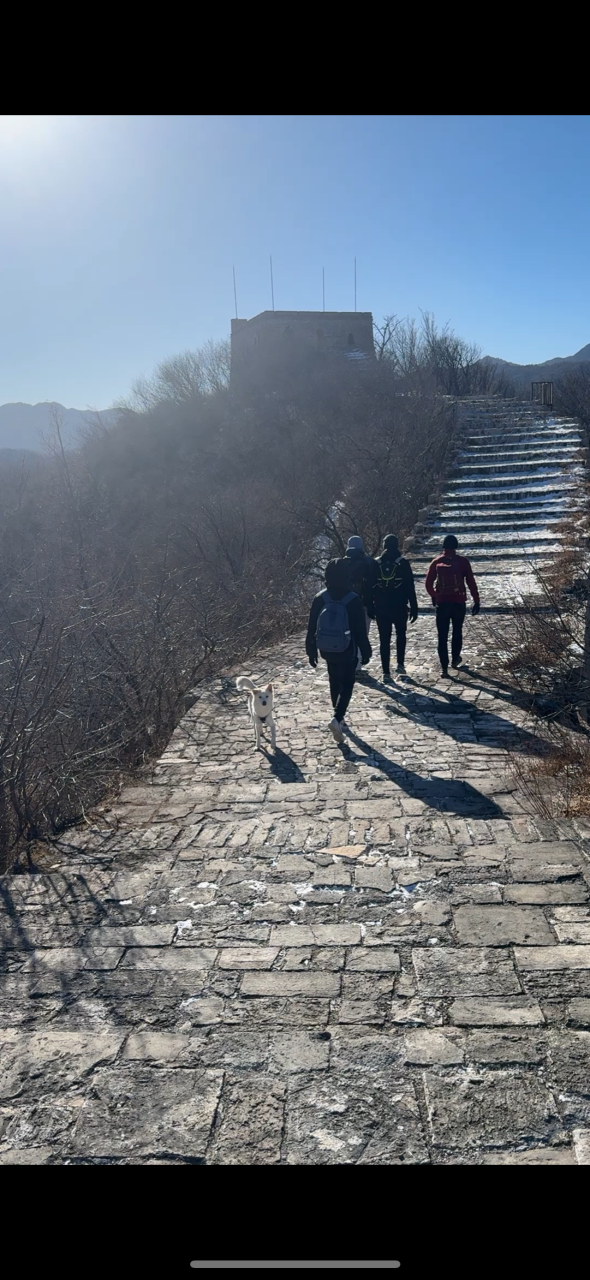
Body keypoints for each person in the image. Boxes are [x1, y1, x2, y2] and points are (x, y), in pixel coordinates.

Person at [306, 558, 372, 743]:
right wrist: (365, 651)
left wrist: (310, 649)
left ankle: (339, 717)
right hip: (346, 648)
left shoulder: (320, 598)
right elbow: (359, 630)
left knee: (334, 679)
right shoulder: (352, 599)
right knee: (348, 683)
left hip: (326, 649)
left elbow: (311, 627)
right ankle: (337, 717)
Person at [425, 534, 480, 677]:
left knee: (442, 636)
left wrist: (435, 595)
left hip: (442, 603)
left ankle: (444, 667)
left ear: (443, 546)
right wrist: (476, 600)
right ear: (456, 546)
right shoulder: (462, 562)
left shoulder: (436, 561)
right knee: (457, 631)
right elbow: (471, 583)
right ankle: (455, 659)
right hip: (458, 602)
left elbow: (428, 584)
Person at [367, 533, 418, 680]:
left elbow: (369, 586)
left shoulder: (376, 563)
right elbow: (410, 586)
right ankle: (400, 665)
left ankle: (385, 672)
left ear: (384, 546)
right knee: (401, 635)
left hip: (381, 607)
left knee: (384, 639)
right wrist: (414, 606)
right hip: (400, 606)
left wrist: (370, 606)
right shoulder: (403, 563)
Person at [343, 535, 376, 671]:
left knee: (347, 633)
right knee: (362, 633)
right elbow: (374, 585)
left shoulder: (341, 563)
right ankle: (358, 663)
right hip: (363, 604)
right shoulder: (369, 562)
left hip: (345, 604)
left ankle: (347, 660)